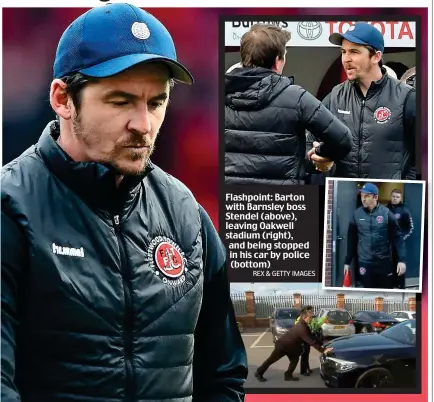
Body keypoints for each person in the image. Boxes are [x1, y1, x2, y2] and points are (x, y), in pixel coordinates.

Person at [1, 4, 247, 402]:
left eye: (155, 103)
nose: (143, 124)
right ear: (63, 99)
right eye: (120, 101)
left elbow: (223, 379)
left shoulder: (186, 215)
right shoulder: (10, 209)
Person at [225, 23, 352, 185]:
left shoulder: (218, 96)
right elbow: (343, 139)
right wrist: (317, 154)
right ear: (278, 61)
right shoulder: (296, 97)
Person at [307, 23, 416, 180]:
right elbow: (309, 142)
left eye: (354, 52)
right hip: (345, 198)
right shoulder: (336, 96)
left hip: (389, 199)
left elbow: (423, 156)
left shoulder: (406, 97)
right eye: (343, 52)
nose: (346, 59)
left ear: (376, 56)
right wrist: (315, 159)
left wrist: (405, 189)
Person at [343, 183, 406, 289]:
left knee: (386, 291)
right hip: (365, 262)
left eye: (367, 196)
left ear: (375, 197)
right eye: (362, 195)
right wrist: (347, 262)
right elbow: (351, 240)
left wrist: (402, 260)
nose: (363, 199)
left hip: (383, 261)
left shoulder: (386, 213)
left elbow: (398, 238)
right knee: (368, 291)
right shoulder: (356, 215)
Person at [254, 308, 333, 382]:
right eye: (310, 317)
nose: (312, 319)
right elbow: (311, 341)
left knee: (295, 360)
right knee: (270, 360)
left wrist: (322, 344)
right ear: (305, 317)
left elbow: (311, 336)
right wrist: (323, 350)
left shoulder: (304, 325)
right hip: (282, 346)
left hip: (291, 348)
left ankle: (288, 375)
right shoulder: (302, 327)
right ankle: (258, 373)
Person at [387, 189, 414, 289]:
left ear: (400, 198)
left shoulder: (405, 210)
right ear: (391, 196)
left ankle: (401, 287)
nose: (395, 198)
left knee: (400, 266)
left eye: (397, 197)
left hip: (399, 245)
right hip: (387, 245)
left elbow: (410, 227)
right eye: (393, 196)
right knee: (389, 266)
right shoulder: (385, 209)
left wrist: (402, 237)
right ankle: (391, 286)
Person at [294, 306, 326, 376]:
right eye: (310, 310)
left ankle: (307, 368)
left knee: (306, 355)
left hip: (307, 339)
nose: (312, 311)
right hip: (302, 341)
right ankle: (303, 371)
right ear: (306, 312)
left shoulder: (310, 319)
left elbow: (315, 326)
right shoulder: (300, 319)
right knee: (304, 356)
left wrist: (323, 320)